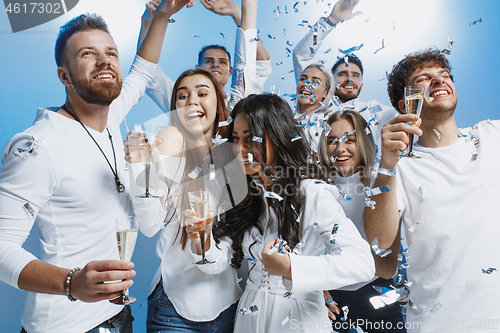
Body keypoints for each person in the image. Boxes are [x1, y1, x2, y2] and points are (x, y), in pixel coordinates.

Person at [0, 0, 193, 331]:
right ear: (65, 75)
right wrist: (71, 283)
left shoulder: (111, 115)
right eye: (87, 54)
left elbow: (144, 69)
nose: (105, 59)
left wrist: (161, 14)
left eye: (111, 52)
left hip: (118, 316)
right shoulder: (37, 145)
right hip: (64, 324)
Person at [188, 94, 375, 333]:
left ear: (277, 137)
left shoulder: (312, 193)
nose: (240, 149)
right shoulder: (243, 194)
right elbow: (219, 264)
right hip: (249, 316)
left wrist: (291, 268)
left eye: (250, 139)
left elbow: (362, 264)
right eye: (235, 139)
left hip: (299, 320)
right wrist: (203, 240)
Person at [364, 49, 500, 332]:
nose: (439, 81)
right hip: (436, 323)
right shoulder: (397, 168)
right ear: (406, 103)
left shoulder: (491, 136)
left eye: (444, 75)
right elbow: (379, 242)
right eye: (425, 78)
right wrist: (387, 163)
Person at [125, 67, 248, 332]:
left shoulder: (232, 159)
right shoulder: (169, 149)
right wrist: (141, 168)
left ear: (218, 104)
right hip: (175, 309)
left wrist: (205, 244)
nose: (191, 101)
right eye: (182, 97)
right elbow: (149, 226)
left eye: (202, 93)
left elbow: (232, 246)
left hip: (230, 303)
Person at [317, 110, 405, 332]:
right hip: (330, 301)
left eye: (349, 139)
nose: (340, 148)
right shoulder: (314, 191)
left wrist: (338, 260)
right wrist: (315, 289)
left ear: (363, 142)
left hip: (379, 295)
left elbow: (387, 268)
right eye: (331, 141)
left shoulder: (383, 187)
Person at [292, 0, 398, 150]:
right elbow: (302, 56)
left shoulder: (371, 109)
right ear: (330, 82)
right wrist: (331, 20)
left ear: (361, 86)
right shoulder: (316, 101)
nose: (349, 79)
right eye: (343, 74)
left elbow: (399, 116)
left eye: (356, 75)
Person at [138, 0, 272, 113]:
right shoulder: (183, 100)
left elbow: (261, 62)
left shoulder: (241, 103)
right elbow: (147, 72)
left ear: (231, 71)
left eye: (222, 62)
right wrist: (150, 21)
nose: (215, 65)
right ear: (198, 68)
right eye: (208, 61)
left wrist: (237, 14)